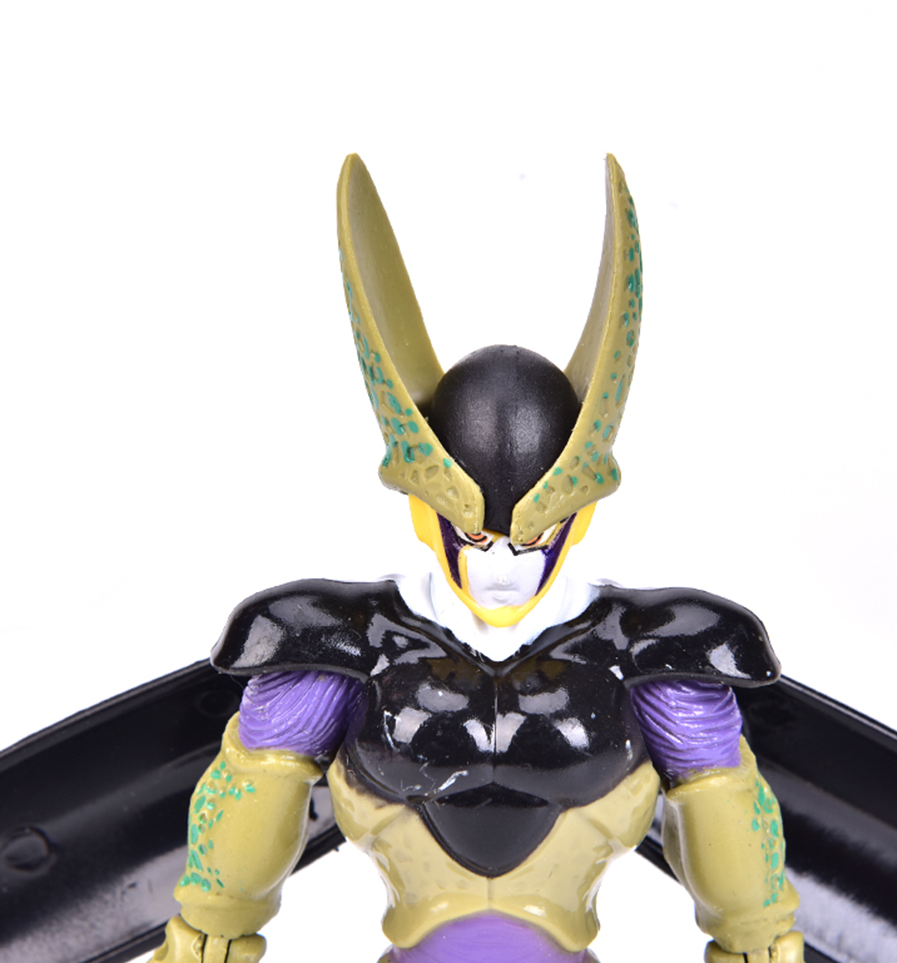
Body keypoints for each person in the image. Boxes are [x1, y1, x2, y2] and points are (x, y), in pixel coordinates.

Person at [150, 155, 803, 963]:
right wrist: (206, 939)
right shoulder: (339, 646)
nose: (501, 568)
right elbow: (248, 816)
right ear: (426, 515)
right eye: (475, 538)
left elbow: (731, 836)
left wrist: (761, 944)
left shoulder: (656, 656)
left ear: (578, 518)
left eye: (530, 540)